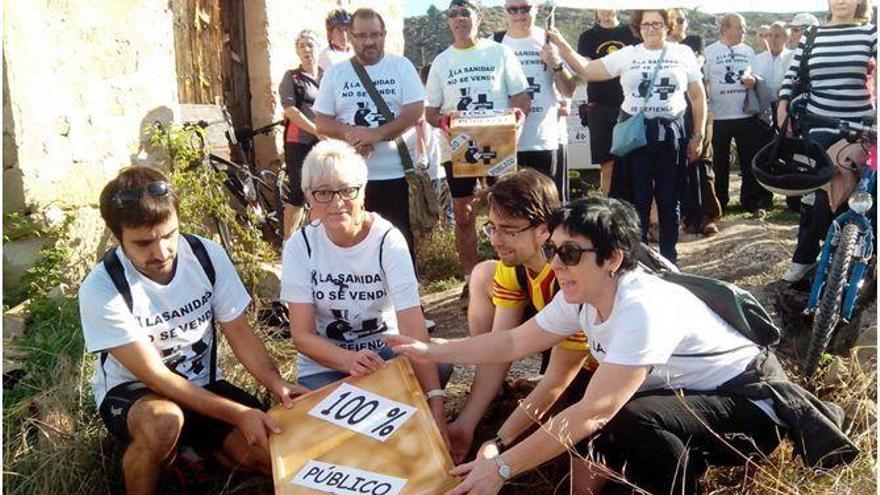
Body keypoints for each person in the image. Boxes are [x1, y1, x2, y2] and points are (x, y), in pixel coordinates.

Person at [388, 196, 855, 495]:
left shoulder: (641, 307)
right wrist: (432, 350)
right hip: (695, 403)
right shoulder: (583, 293)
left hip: (755, 411)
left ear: (613, 258)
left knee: (622, 415)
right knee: (604, 422)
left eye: (570, 253)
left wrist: (501, 468)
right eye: (553, 250)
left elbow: (596, 412)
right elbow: (512, 340)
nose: (557, 264)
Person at [79, 167, 305, 495]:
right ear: (116, 236)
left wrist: (277, 383)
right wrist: (238, 413)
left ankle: (196, 454)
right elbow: (158, 378)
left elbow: (239, 332)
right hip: (138, 394)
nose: (161, 252)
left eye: (169, 235)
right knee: (164, 422)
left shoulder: (205, 255)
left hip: (204, 385)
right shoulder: (102, 288)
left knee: (275, 456)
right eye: (143, 243)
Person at [280, 139, 451, 440]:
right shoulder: (299, 247)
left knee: (440, 362)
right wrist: (347, 361)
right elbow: (302, 336)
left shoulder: (388, 240)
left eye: (347, 190)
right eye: (323, 193)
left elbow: (412, 325)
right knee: (340, 434)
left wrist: (436, 403)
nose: (337, 203)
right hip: (328, 363)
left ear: (363, 189)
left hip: (384, 356)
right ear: (308, 196)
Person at [444, 169, 593, 463]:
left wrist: (499, 442)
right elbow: (500, 347)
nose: (496, 240)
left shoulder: (571, 274)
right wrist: (466, 423)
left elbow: (559, 379)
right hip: (573, 352)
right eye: (492, 227)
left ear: (543, 230)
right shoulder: (513, 264)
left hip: (609, 369)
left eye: (509, 230)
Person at [550, 9, 707, 264]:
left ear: (668, 26)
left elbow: (697, 95)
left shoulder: (683, 53)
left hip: (670, 133)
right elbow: (588, 70)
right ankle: (640, 258)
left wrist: (698, 134)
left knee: (669, 199)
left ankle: (669, 258)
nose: (651, 29)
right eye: (646, 24)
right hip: (637, 135)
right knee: (637, 200)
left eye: (657, 24)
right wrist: (561, 44)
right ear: (637, 27)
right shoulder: (630, 54)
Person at [425, 0, 531, 297]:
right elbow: (429, 111)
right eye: (453, 14)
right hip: (458, 145)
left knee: (507, 209)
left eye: (465, 13)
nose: (459, 19)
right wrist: (443, 120)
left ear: (479, 17)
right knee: (464, 212)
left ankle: (511, 276)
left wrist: (519, 118)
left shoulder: (499, 52)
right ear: (448, 21)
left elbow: (522, 97)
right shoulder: (441, 61)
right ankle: (472, 279)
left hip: (497, 140)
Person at [777, 0, 876, 283]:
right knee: (824, 187)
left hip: (863, 126)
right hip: (819, 123)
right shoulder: (813, 35)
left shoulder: (871, 33)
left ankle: (865, 254)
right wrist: (783, 102)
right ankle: (806, 257)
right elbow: (792, 74)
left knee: (870, 192)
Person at [313, 8, 424, 260]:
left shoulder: (401, 67)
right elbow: (322, 121)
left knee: (398, 241)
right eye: (361, 36)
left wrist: (376, 134)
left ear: (384, 34)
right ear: (350, 37)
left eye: (375, 34)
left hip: (395, 173)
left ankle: (405, 296)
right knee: (356, 241)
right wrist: (352, 134)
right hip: (349, 178)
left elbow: (415, 111)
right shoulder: (336, 74)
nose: (369, 42)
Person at [495, 0, 577, 185]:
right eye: (513, 9)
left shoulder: (550, 39)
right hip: (507, 139)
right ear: (505, 11)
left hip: (543, 138)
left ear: (537, 8)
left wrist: (555, 63)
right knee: (509, 207)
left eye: (525, 8)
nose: (519, 15)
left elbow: (569, 89)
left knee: (547, 206)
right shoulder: (495, 43)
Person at [704, 13, 773, 216]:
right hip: (718, 116)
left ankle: (750, 201)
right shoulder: (710, 52)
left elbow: (756, 75)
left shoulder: (748, 50)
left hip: (745, 115)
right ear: (725, 28)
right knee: (720, 162)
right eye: (739, 27)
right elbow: (704, 82)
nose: (744, 31)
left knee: (748, 159)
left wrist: (752, 79)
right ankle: (720, 202)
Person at [669, 7, 722, 236]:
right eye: (675, 20)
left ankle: (709, 216)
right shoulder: (657, 47)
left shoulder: (693, 42)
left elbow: (698, 60)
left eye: (683, 20)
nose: (680, 24)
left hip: (697, 109)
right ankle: (689, 218)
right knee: (680, 165)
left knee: (703, 162)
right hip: (673, 112)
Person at [575, 10, 639, 195]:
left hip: (631, 106)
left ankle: (642, 213)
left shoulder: (632, 32)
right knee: (608, 164)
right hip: (600, 106)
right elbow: (585, 70)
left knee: (637, 162)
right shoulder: (587, 37)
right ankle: (610, 211)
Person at [280, 29, 321, 239]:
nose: (306, 49)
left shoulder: (327, 76)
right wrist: (315, 130)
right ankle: (289, 243)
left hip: (323, 143)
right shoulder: (292, 78)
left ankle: (317, 240)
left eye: (310, 45)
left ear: (318, 48)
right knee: (298, 192)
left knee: (320, 190)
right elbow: (290, 110)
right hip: (299, 142)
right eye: (301, 46)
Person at [318, 9, 352, 76]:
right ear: (330, 33)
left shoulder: (355, 52)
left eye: (346, 29)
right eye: (339, 30)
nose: (344, 34)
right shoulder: (327, 56)